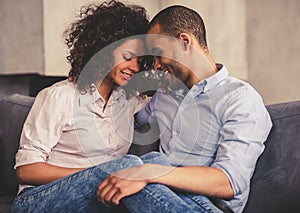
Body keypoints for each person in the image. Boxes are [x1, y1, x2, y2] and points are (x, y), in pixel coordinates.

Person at [96, 5, 273, 213]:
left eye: (157, 53)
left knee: (143, 166)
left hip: (207, 205)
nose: (155, 66)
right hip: (155, 195)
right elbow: (122, 121)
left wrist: (149, 172)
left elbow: (228, 182)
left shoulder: (240, 98)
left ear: (184, 41)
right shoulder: (163, 95)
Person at [11, 1, 150, 212]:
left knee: (153, 163)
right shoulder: (60, 96)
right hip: (37, 199)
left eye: (140, 62)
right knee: (129, 166)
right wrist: (96, 174)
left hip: (97, 199)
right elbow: (26, 170)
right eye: (127, 57)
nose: (133, 67)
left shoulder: (128, 100)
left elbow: (172, 85)